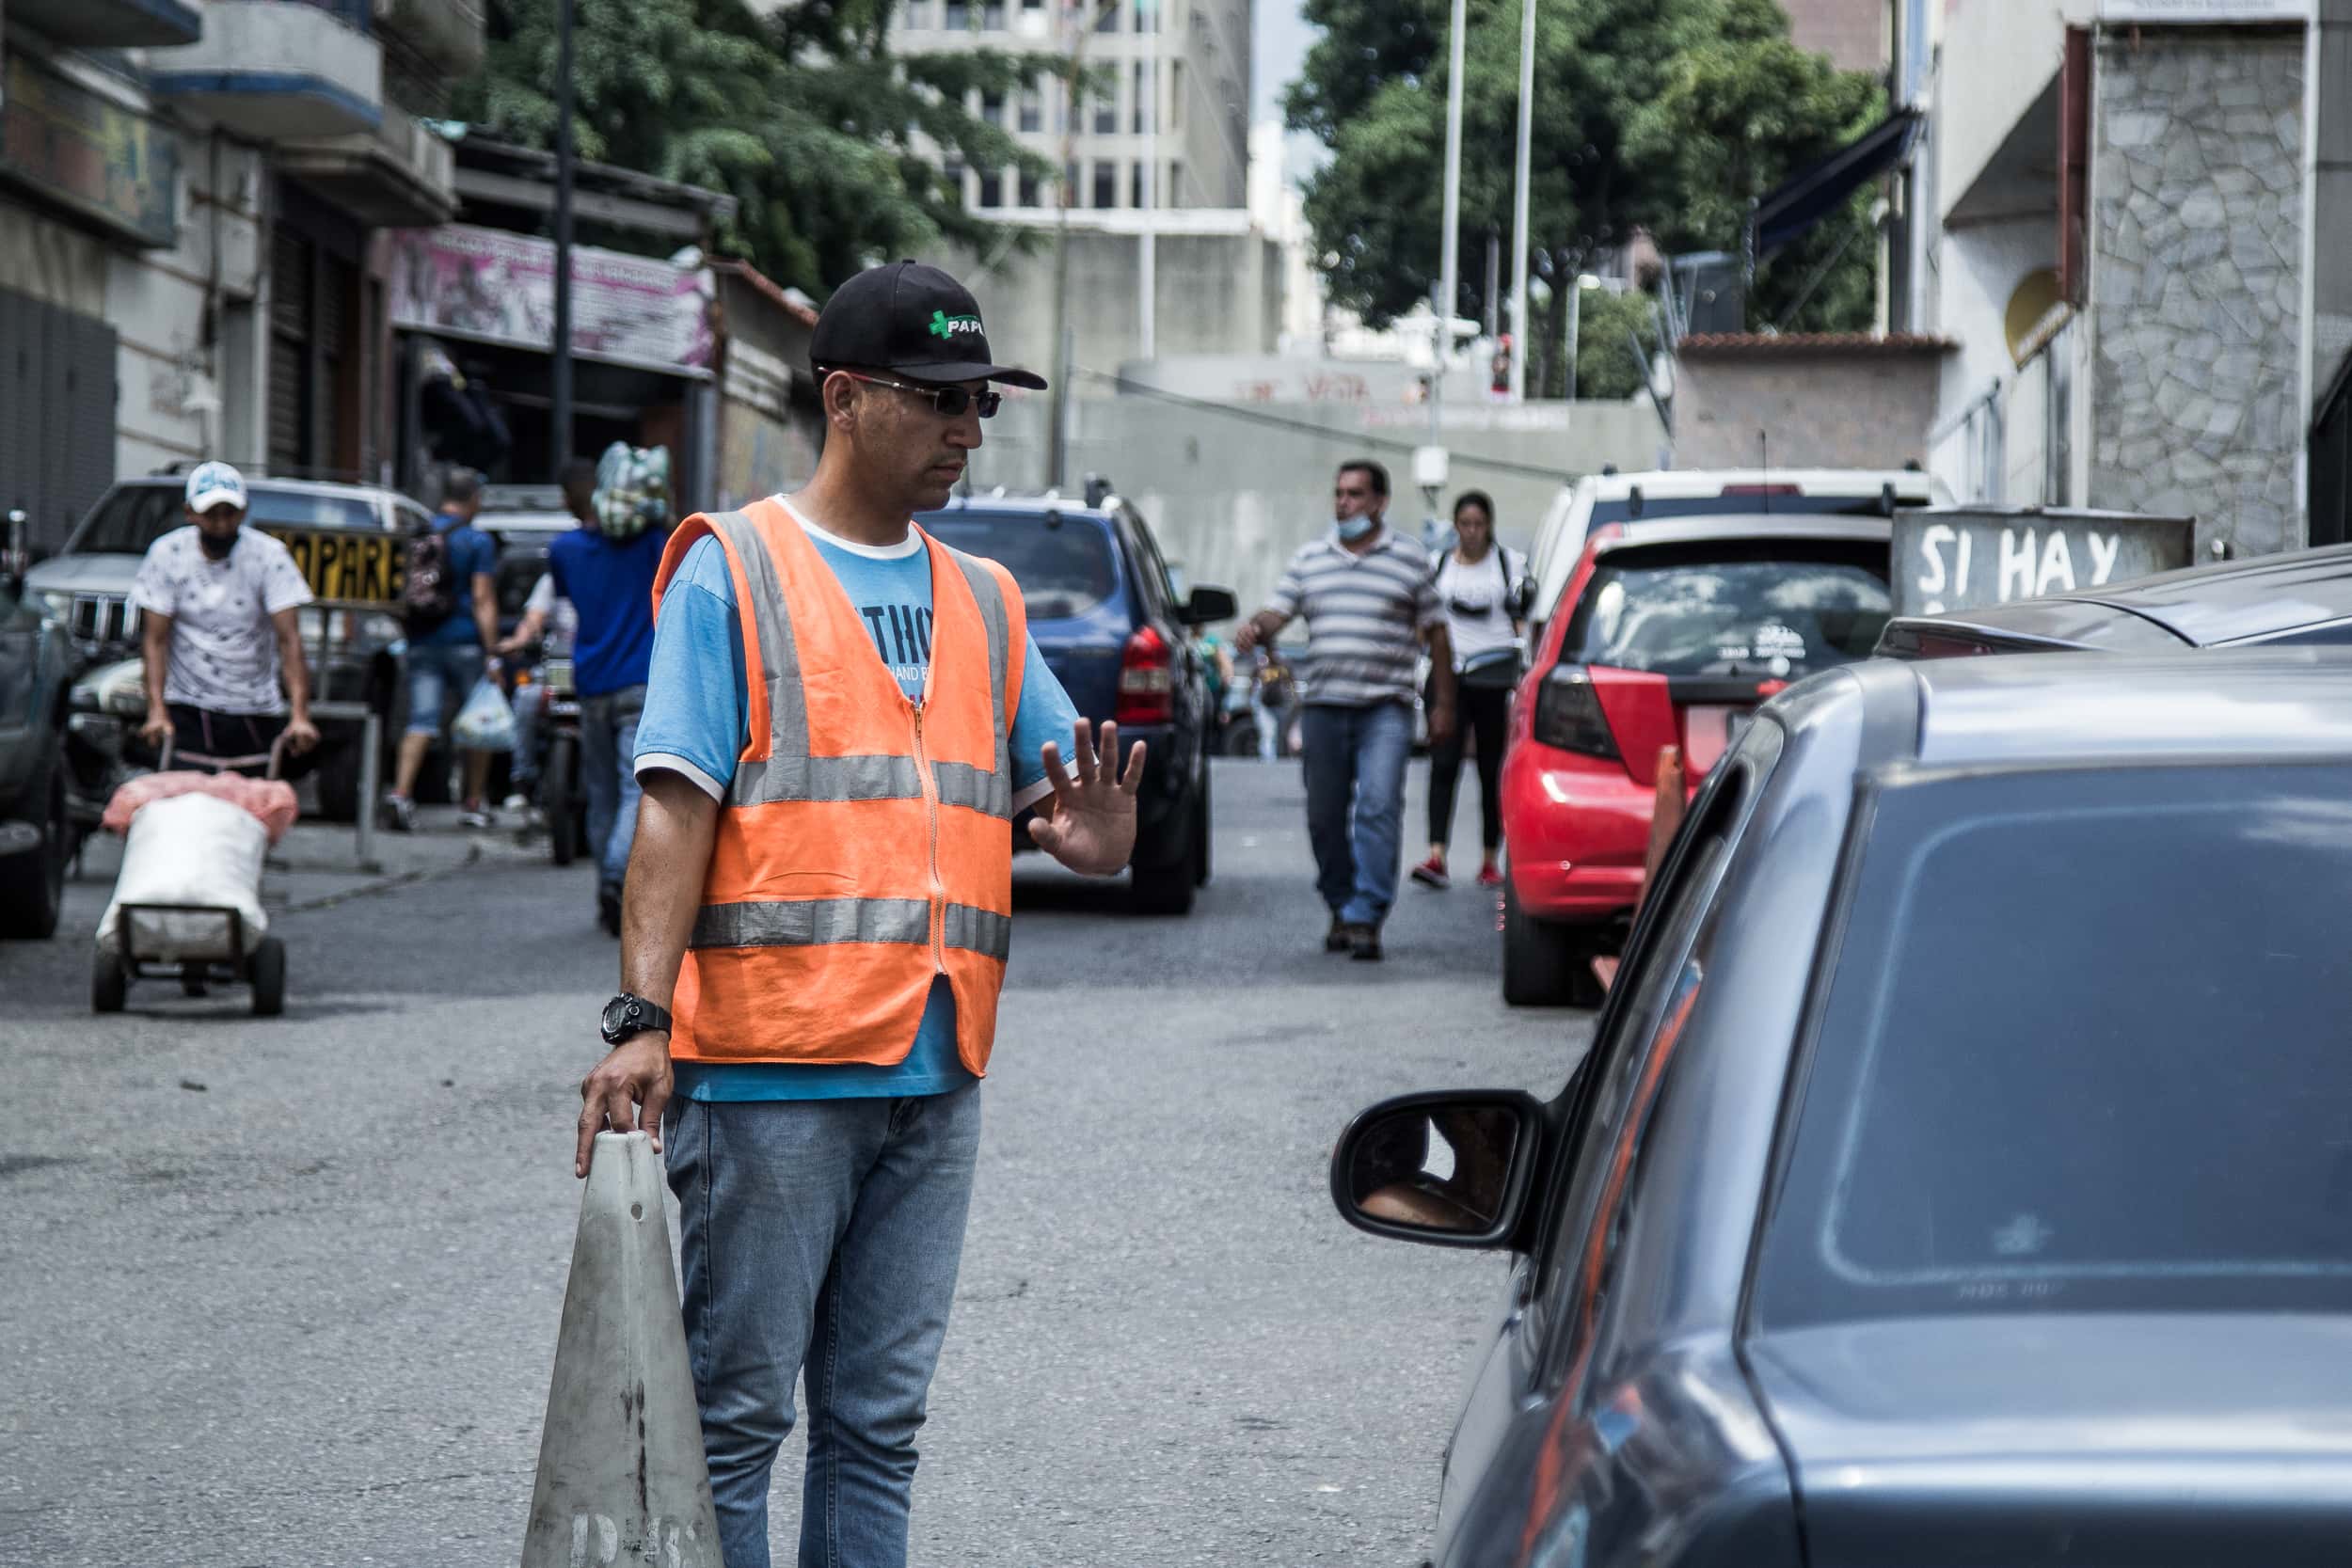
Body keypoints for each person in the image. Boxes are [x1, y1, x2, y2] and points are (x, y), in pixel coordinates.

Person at [571, 260, 1144, 1568]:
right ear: (844, 396)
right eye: (941, 399)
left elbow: (1071, 801)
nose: (969, 429)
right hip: (768, 1073)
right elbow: (673, 812)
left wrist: (1101, 838)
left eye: (981, 403)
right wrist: (638, 1020)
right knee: (735, 1421)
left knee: (880, 1424)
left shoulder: (987, 600)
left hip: (936, 1070)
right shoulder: (737, 569)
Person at [1235, 459, 1454, 961]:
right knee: (1323, 816)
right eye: (1339, 494)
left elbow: (1438, 633)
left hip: (1386, 709)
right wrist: (1257, 627)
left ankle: (1366, 914)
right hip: (1325, 709)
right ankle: (1340, 902)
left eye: (1355, 494)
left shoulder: (1409, 559)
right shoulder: (1312, 558)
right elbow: (1279, 609)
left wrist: (1444, 705)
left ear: (1380, 501)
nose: (1344, 504)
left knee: (1378, 808)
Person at [131, 461, 322, 774]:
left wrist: (300, 715)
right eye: (210, 515)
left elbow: (290, 640)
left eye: (229, 513)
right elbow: (155, 640)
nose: (220, 524)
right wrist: (156, 711)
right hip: (188, 706)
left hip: (254, 706)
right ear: (190, 513)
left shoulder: (269, 556)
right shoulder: (167, 554)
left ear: (243, 512)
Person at [551, 442, 670, 934]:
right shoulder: (651, 544)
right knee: (630, 789)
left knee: (599, 792)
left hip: (591, 681)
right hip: (641, 680)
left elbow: (565, 614)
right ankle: (618, 877)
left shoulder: (564, 551)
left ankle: (607, 878)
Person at [1412, 490, 1525, 893]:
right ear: (1455, 525)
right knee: (1443, 763)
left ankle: (1489, 858)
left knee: (1491, 767)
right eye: (1465, 524)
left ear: (1489, 526)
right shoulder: (1439, 565)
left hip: (1492, 677)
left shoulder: (1508, 565)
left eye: (1479, 525)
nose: (1472, 532)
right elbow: (1422, 619)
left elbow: (1524, 620)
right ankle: (1437, 854)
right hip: (1448, 675)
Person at [385, 467, 501, 832]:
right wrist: (492, 649)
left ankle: (402, 794)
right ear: (474, 499)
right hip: (465, 641)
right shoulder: (476, 542)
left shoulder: (421, 533)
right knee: (479, 723)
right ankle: (473, 801)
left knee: (421, 721)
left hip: (422, 642)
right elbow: (483, 598)